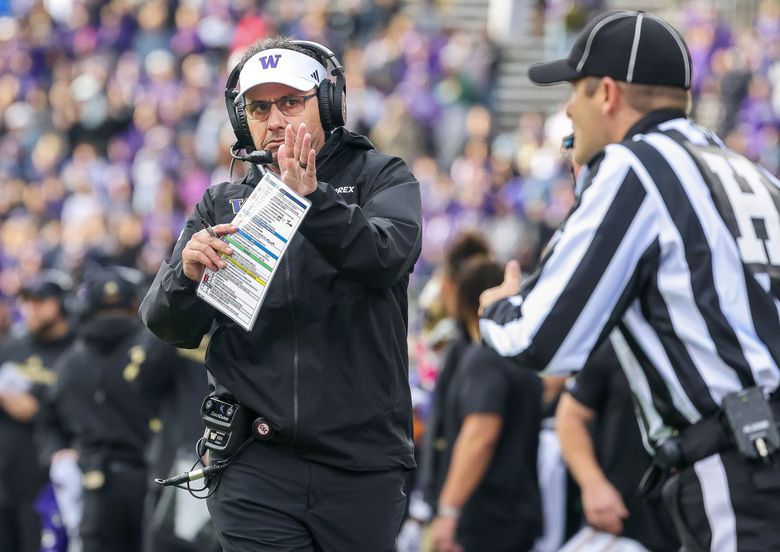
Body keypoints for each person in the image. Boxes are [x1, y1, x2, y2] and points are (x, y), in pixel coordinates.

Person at [479, 10, 780, 551]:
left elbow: (542, 339)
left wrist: (496, 310)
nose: (568, 109)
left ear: (609, 94)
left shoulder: (634, 166)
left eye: (576, 91)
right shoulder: (745, 169)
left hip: (742, 466)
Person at [140, 35, 422, 552]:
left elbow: (385, 258)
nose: (274, 120)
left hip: (360, 463)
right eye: (259, 107)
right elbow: (168, 325)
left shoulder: (382, 177)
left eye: (291, 102)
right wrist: (186, 274)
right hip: (255, 461)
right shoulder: (221, 203)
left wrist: (312, 202)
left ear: (330, 105)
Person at [38, 267, 187, 552]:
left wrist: (56, 453)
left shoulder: (70, 362)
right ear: (133, 304)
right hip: (152, 478)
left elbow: (47, 422)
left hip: (94, 483)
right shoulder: (153, 346)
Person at [431, 255, 543, 552]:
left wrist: (449, 511)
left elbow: (481, 434)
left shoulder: (484, 358)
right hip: (517, 514)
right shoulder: (521, 357)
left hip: (485, 520)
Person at [556, 338, 679, 551]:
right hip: (630, 511)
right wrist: (593, 484)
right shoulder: (617, 342)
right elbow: (570, 418)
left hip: (702, 503)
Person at [0, 270, 75, 552]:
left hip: (49, 483)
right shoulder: (13, 347)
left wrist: (36, 408)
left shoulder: (75, 351)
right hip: (6, 480)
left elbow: (62, 411)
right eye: (27, 302)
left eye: (40, 302)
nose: (31, 310)